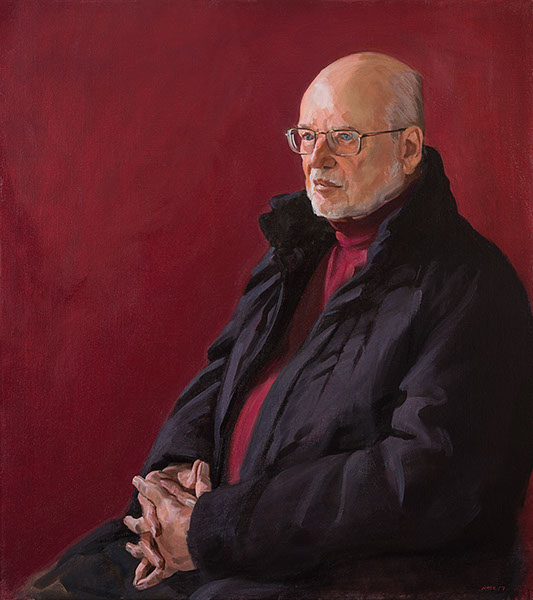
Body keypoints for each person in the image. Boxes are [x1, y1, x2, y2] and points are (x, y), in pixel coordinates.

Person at [26, 52, 533, 600]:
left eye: (344, 138)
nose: (318, 160)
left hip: (361, 573)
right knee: (66, 585)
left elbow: (417, 483)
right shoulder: (298, 250)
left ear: (408, 149)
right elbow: (222, 375)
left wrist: (208, 529)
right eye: (307, 137)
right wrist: (167, 489)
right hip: (224, 543)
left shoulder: (472, 284)